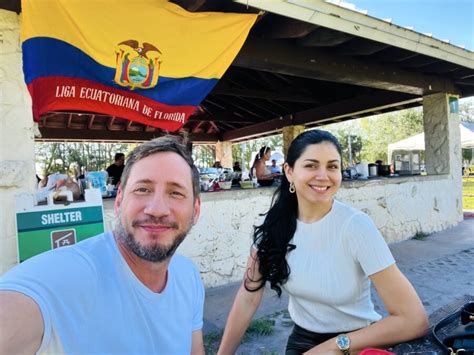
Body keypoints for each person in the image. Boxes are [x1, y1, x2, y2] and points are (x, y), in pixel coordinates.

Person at [218, 130, 428, 354]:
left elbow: (414, 319)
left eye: (332, 166)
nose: (323, 175)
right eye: (311, 165)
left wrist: (334, 347)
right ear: (289, 172)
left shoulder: (356, 226)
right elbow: (248, 296)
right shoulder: (274, 226)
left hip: (356, 343)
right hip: (300, 342)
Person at [0, 136, 205, 354]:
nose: (156, 209)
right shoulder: (72, 275)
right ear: (119, 202)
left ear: (196, 210)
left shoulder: (188, 276)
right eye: (142, 189)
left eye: (176, 193)